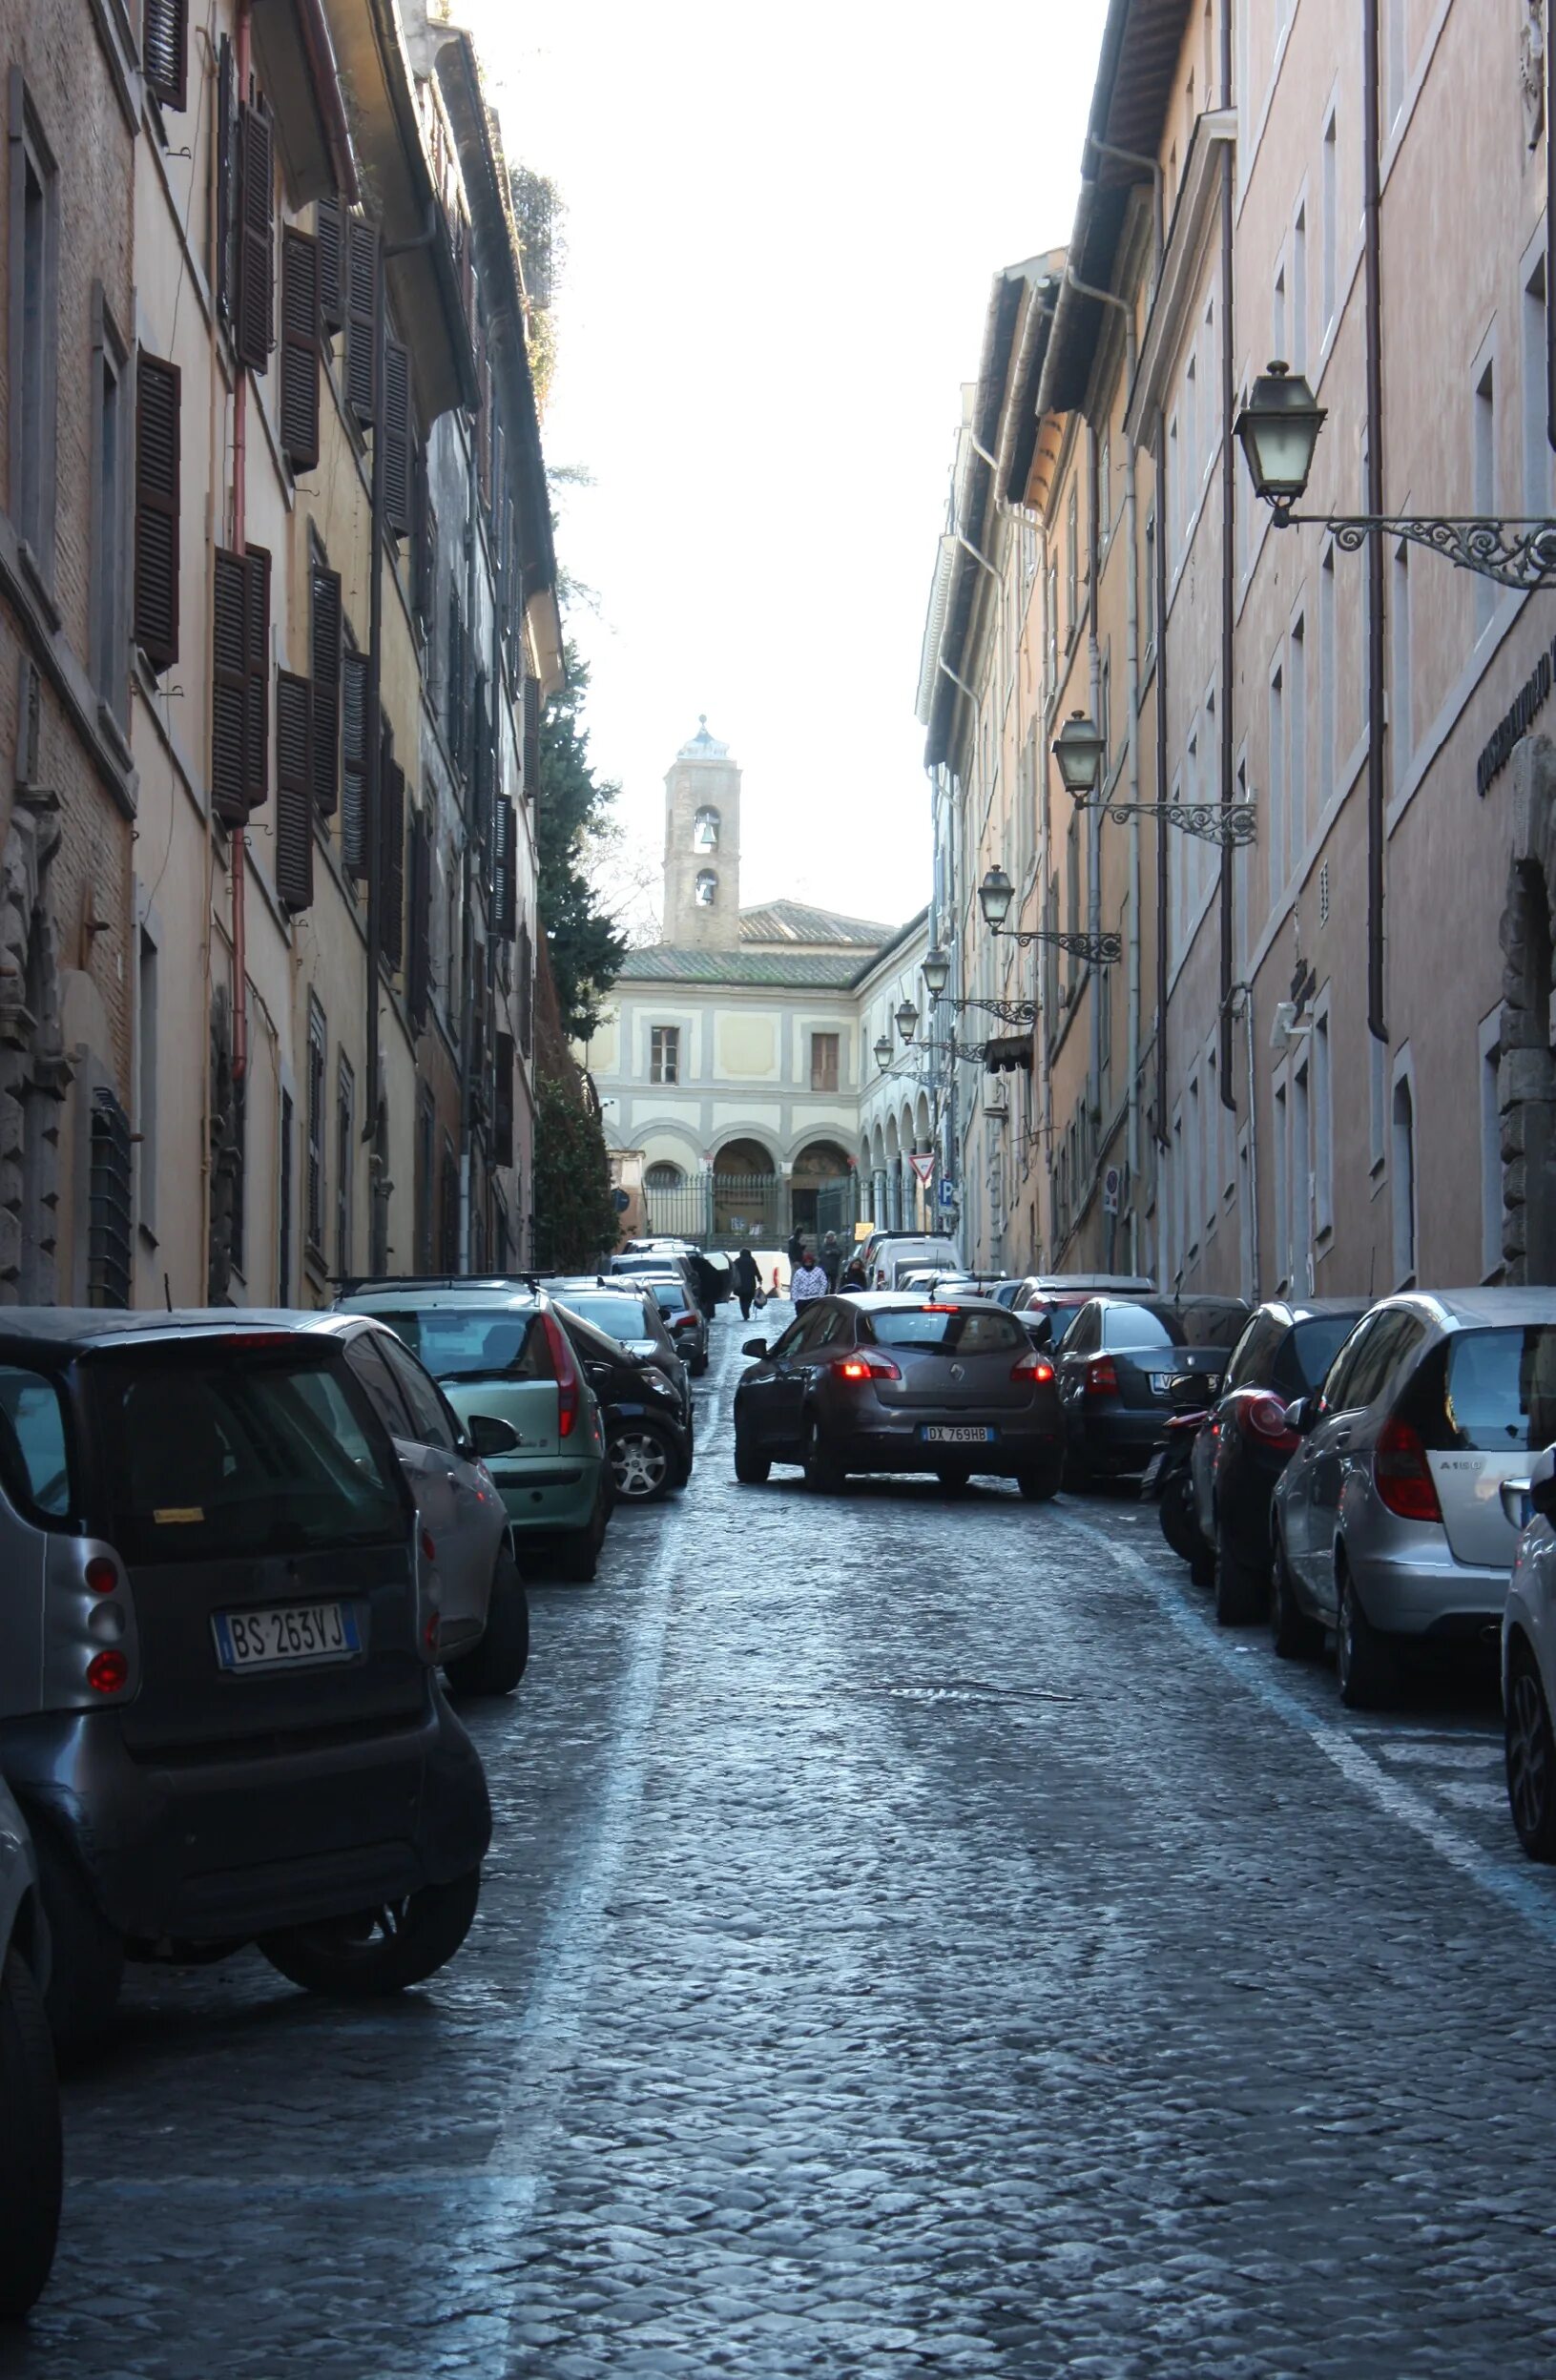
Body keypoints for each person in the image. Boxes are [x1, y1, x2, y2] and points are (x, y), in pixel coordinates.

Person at [733, 1247, 759, 1321]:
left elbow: (733, 1272)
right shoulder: (751, 1261)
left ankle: (745, 1314)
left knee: (742, 1299)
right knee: (749, 1299)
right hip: (750, 1284)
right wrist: (759, 1278)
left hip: (740, 1284)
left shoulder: (737, 1261)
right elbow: (756, 1270)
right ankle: (747, 1310)